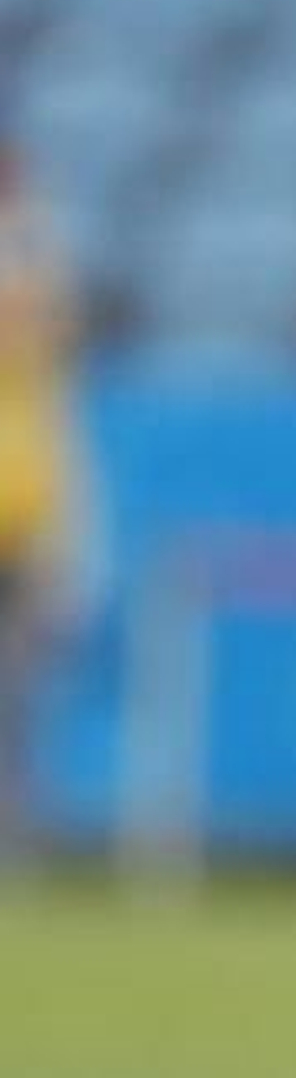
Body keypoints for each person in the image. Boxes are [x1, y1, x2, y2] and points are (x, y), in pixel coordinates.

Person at [0, 139, 75, 865]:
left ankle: (17, 836)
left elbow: (45, 325)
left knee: (23, 693)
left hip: (24, 518)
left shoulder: (33, 268)